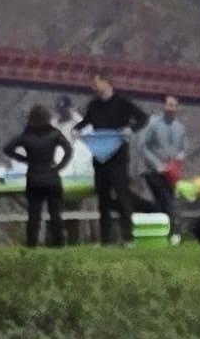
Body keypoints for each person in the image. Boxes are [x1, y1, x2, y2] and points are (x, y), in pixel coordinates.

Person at [81, 77, 146, 245]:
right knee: (103, 200)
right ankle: (105, 239)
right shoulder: (93, 105)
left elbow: (142, 118)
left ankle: (128, 237)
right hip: (100, 158)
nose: (93, 87)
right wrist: (77, 130)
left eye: (95, 83)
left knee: (123, 196)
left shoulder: (122, 103)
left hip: (118, 159)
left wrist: (130, 129)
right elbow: (86, 122)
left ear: (106, 83)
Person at [12, 102, 71, 250]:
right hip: (52, 177)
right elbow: (68, 149)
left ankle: (31, 245)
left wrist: (24, 159)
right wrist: (59, 166)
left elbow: (8, 148)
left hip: (34, 177)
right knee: (56, 214)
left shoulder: (27, 135)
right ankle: (59, 244)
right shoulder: (54, 133)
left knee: (34, 215)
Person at [139, 96, 192, 234]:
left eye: (174, 105)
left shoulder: (180, 127)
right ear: (164, 106)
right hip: (154, 171)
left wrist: (180, 157)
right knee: (165, 200)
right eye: (169, 105)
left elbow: (184, 147)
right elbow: (143, 145)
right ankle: (173, 231)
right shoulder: (154, 124)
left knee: (167, 201)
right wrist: (156, 164)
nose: (171, 108)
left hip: (171, 172)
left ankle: (167, 231)